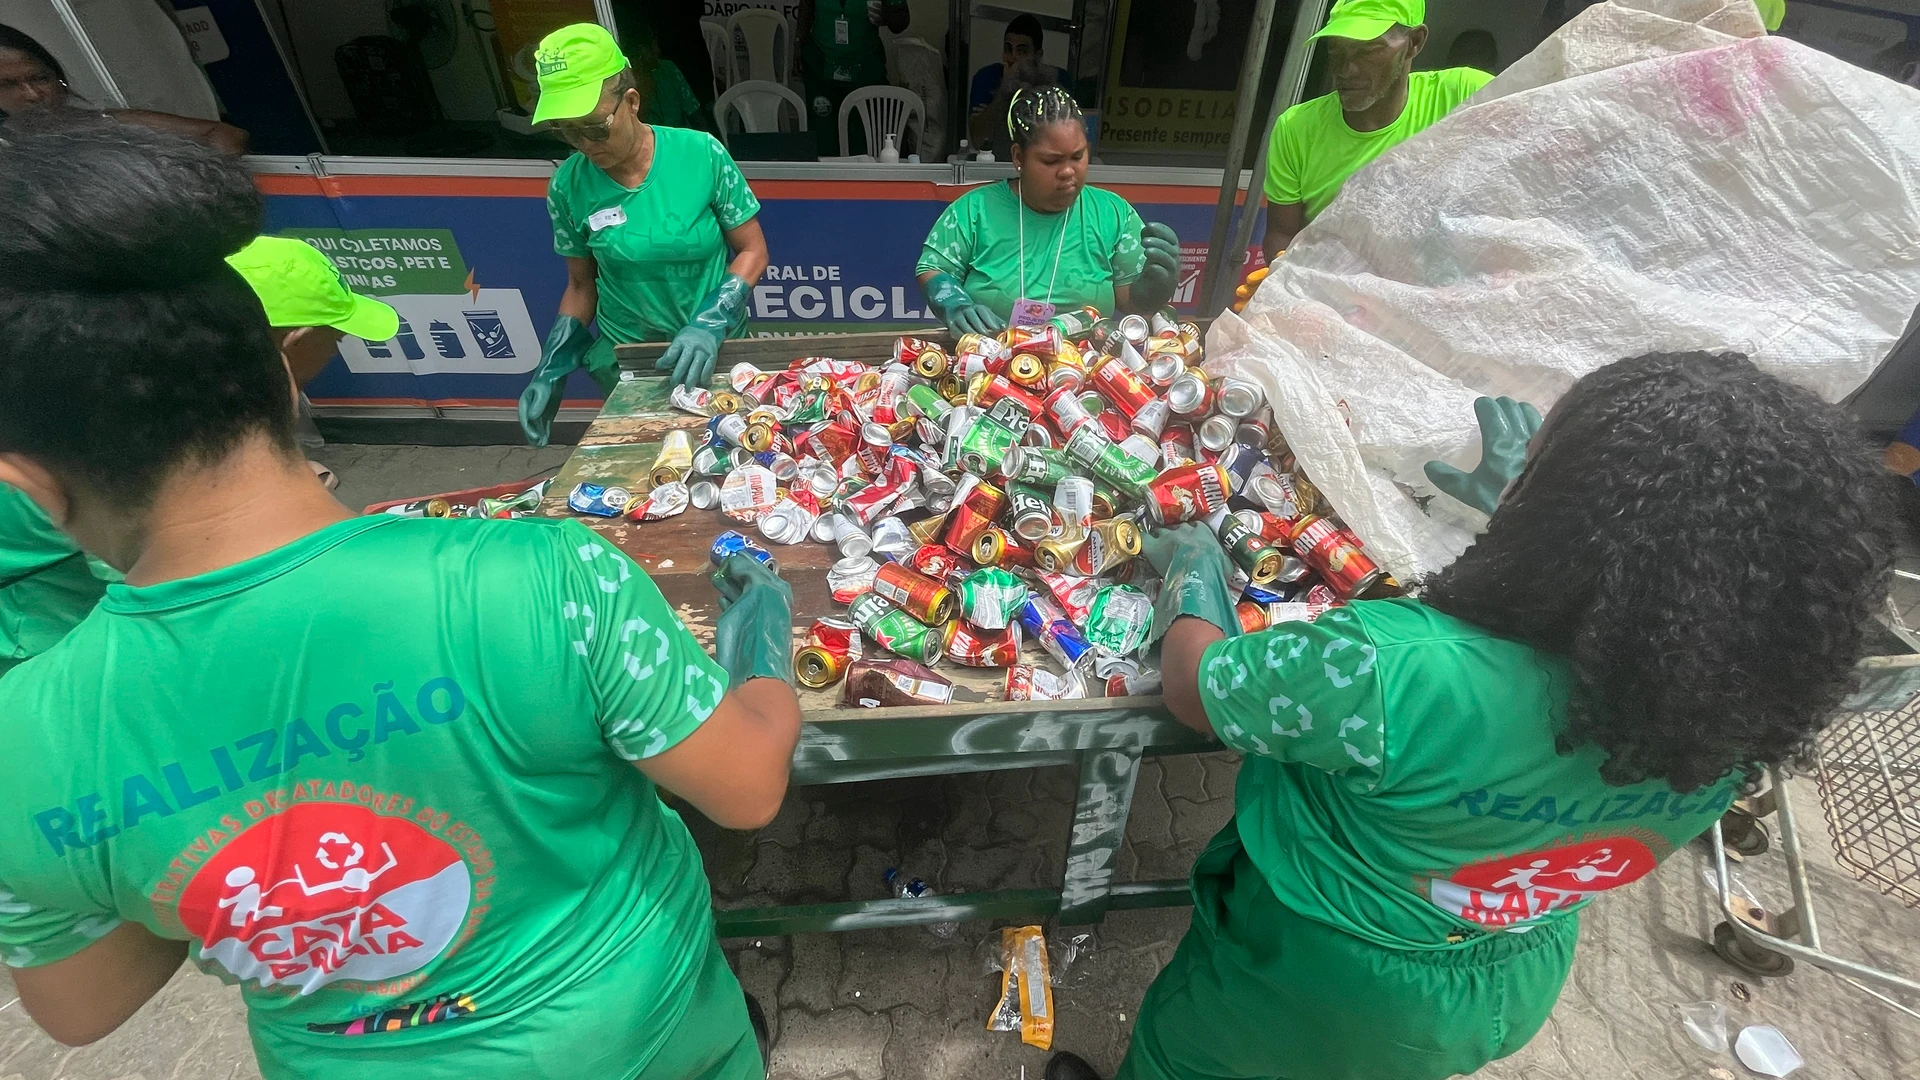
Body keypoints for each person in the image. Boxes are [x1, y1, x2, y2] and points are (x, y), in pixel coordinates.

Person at [0, 122, 802, 1080]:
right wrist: (760, 647)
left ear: (27, 483)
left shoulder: (23, 740)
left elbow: (80, 1006)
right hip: (656, 1034)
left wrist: (230, 864)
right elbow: (747, 787)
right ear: (282, 369)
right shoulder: (546, 578)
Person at [1042, 352, 1893, 1080]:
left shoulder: (1394, 669)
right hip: (1505, 978)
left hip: (1316, 974)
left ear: (1565, 517)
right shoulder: (1726, 725)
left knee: (1187, 1059)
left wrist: (1193, 569)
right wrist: (1526, 528)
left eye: (1540, 468)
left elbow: (1194, 690)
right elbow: (1643, 605)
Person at [518, 23, 770, 447]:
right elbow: (581, 286)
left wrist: (710, 321)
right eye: (567, 130)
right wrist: (551, 367)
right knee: (647, 466)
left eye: (595, 127)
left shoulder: (701, 154)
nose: (584, 144)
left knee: (729, 459)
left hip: (714, 350)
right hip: (630, 363)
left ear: (631, 102)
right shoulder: (568, 185)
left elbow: (753, 251)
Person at [917, 67, 1181, 335]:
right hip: (992, 355)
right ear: (1018, 157)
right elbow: (933, 268)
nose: (1067, 171)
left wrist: (1152, 289)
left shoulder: (1114, 213)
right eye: (1051, 160)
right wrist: (955, 304)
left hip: (1088, 359)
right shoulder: (975, 210)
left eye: (1078, 156)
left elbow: (1132, 304)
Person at [1261, 0, 1490, 259]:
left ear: (1414, 42)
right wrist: (1285, 272)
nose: (1346, 69)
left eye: (1367, 50)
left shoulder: (1466, 95)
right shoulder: (1296, 128)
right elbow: (1282, 235)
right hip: (1333, 280)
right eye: (1336, 51)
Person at [0, 24, 247, 154]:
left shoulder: (106, 122)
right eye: (7, 84)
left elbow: (228, 135)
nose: (33, 94)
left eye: (41, 78)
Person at [799, 0, 910, 157]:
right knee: (823, 143)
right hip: (821, 69)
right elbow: (807, 4)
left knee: (864, 144)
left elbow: (901, 20)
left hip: (864, 71)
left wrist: (886, 16)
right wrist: (798, 42)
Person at [968, 14, 1071, 148]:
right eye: (1008, 49)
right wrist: (1003, 93)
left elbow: (1063, 138)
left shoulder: (1057, 79)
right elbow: (978, 140)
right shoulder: (986, 77)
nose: (1013, 57)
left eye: (1022, 51)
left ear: (1038, 55)